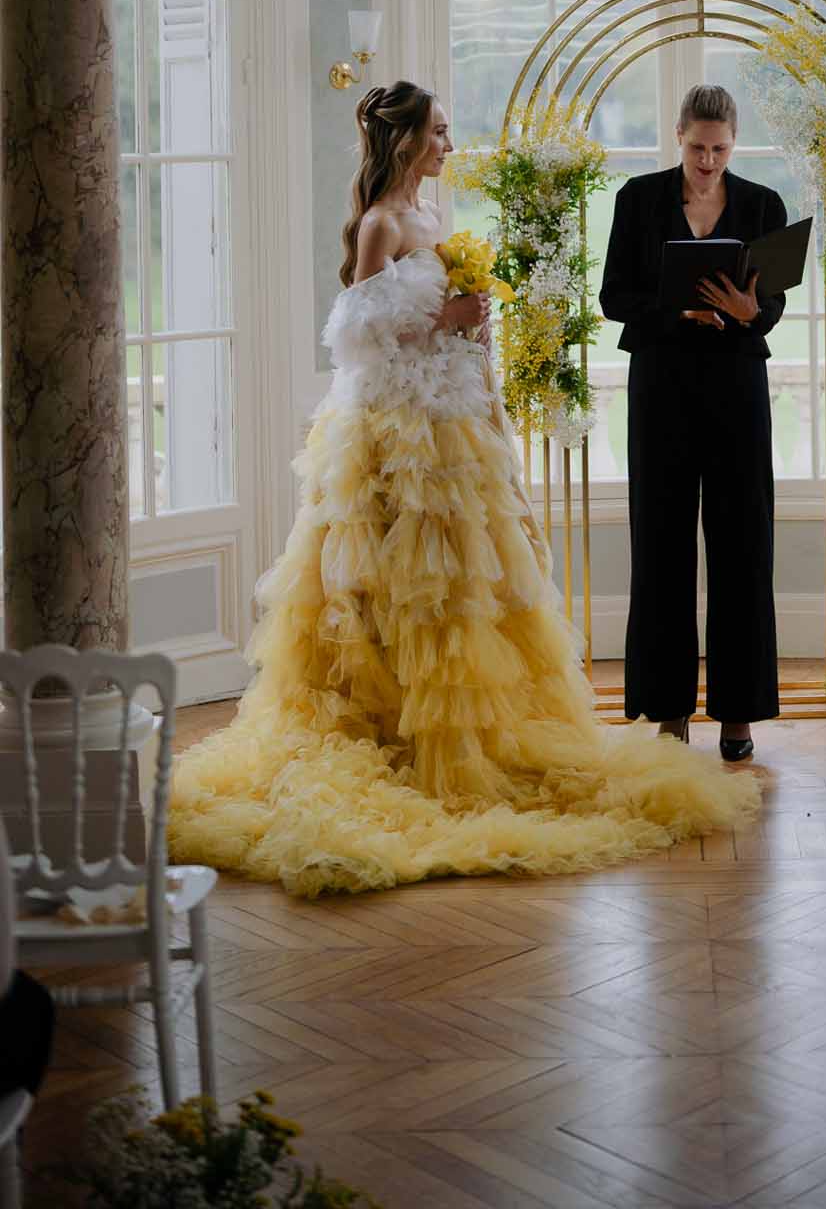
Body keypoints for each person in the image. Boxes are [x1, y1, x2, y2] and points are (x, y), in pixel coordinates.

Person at [169, 81, 759, 896]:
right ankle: (396, 741)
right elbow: (353, 337)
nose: (449, 143)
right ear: (404, 139)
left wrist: (482, 375)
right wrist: (443, 321)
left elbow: (445, 321)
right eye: (439, 132)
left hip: (455, 423)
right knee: (394, 592)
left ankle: (468, 737)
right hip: (398, 433)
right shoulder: (381, 223)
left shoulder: (433, 219)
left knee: (465, 595)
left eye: (447, 129)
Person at [600, 84, 787, 762]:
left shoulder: (763, 203)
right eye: (696, 147)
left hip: (737, 382)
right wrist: (672, 312)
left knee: (742, 545)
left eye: (719, 149)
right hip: (662, 382)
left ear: (733, 144)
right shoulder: (637, 198)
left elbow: (774, 302)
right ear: (676, 135)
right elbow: (611, 296)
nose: (708, 161)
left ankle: (738, 715)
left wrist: (747, 313)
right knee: (661, 543)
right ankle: (668, 708)